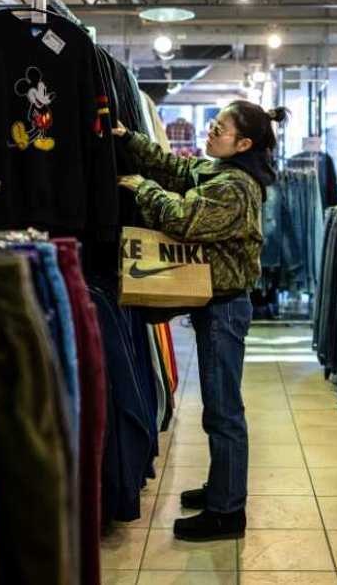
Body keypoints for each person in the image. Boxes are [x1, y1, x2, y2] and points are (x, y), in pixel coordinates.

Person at [113, 101, 288, 541]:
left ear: (243, 143)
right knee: (219, 407)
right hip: (218, 303)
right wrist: (129, 140)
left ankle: (227, 512)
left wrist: (142, 188)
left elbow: (184, 219)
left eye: (219, 128)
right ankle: (221, 489)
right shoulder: (219, 173)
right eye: (213, 124)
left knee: (224, 411)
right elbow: (179, 170)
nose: (211, 132)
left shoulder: (235, 186)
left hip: (225, 308)